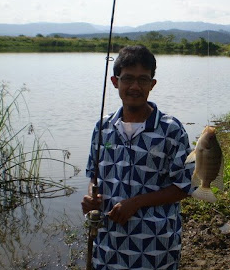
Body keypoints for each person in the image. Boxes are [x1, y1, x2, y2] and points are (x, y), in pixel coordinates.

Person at [81, 45, 195, 270]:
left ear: (152, 84)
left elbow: (184, 186)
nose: (135, 86)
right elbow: (94, 175)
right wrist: (90, 197)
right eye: (128, 78)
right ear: (115, 82)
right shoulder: (102, 127)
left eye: (143, 79)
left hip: (156, 246)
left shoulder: (171, 130)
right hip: (108, 244)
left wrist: (136, 203)